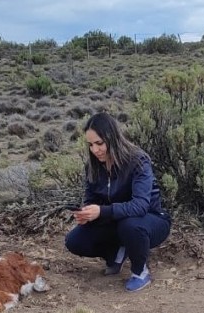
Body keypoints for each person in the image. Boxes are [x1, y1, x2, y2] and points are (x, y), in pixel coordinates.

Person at [65, 112, 172, 292]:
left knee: (130, 225)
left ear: (112, 138)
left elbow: (140, 206)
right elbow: (91, 199)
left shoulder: (138, 160)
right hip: (116, 221)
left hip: (150, 220)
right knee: (74, 240)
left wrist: (102, 211)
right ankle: (116, 252)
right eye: (90, 145)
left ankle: (140, 271)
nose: (95, 150)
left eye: (100, 143)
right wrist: (87, 214)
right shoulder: (93, 166)